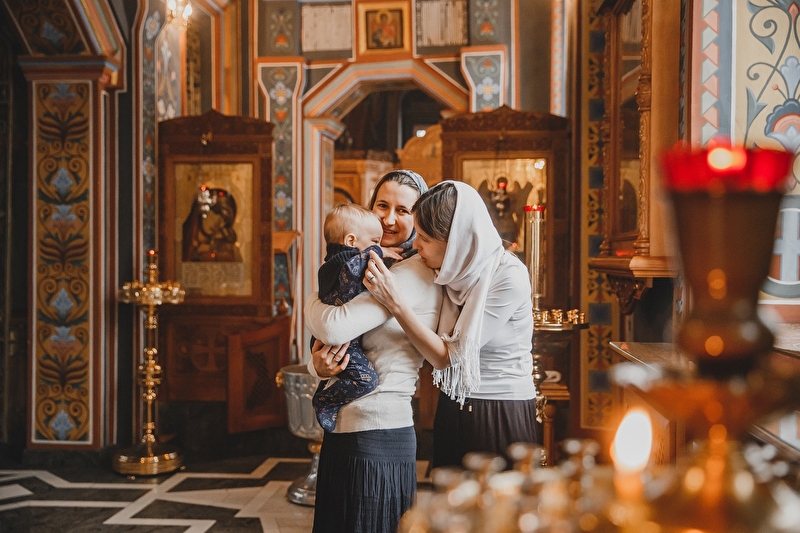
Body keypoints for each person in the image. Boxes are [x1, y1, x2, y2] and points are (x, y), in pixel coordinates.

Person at [363, 180, 538, 468]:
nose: (416, 245)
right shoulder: (447, 272)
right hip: (451, 403)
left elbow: (448, 357)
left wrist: (396, 304)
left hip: (500, 409)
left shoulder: (509, 276)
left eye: (425, 238)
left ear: (457, 241)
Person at [304, 170, 440, 533]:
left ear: (419, 218)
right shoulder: (366, 263)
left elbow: (332, 326)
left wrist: (308, 302)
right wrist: (318, 367)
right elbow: (328, 337)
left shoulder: (411, 272)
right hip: (344, 429)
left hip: (377, 429)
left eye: (403, 210)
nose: (389, 219)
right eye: (382, 205)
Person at [311, 203, 384, 432]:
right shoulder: (345, 264)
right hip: (341, 345)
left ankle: (326, 394)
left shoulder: (334, 263)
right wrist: (379, 253)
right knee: (367, 380)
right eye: (376, 242)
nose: (379, 247)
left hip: (338, 341)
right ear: (351, 241)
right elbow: (353, 271)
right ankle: (325, 401)